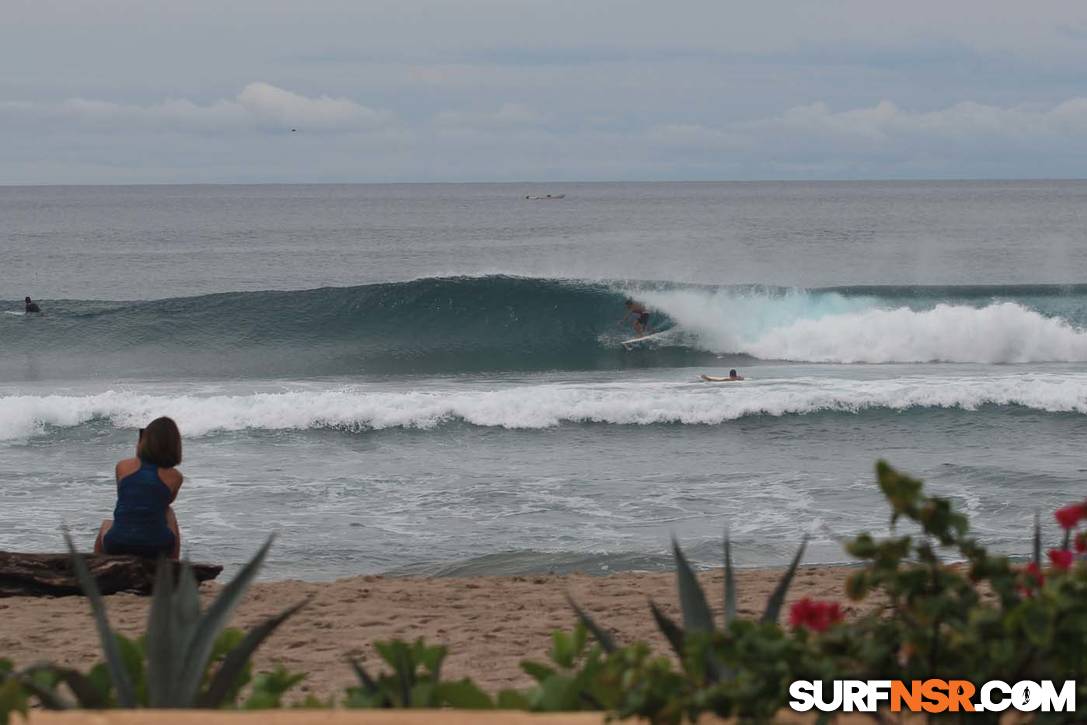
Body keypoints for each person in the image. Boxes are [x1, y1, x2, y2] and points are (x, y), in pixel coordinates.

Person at [95, 417, 184, 559]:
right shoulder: (175, 477)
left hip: (118, 543)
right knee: (169, 512)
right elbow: (163, 504)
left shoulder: (122, 466)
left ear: (144, 441)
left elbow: (128, 498)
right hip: (158, 547)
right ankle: (174, 567)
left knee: (106, 524)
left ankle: (96, 568)